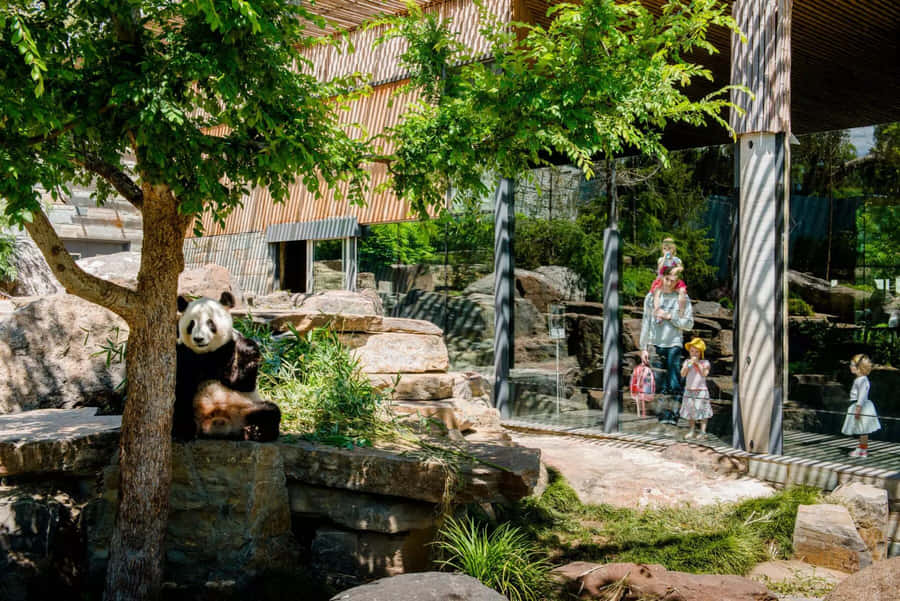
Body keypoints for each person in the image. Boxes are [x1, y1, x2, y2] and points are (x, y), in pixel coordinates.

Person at [639, 266, 694, 425]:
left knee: (674, 382)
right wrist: (643, 347)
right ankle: (664, 416)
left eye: (673, 281)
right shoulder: (651, 297)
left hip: (674, 344)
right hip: (655, 344)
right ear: (661, 277)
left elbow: (689, 324)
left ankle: (673, 416)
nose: (669, 283)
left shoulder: (682, 298)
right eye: (667, 279)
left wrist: (670, 316)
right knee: (660, 384)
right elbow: (646, 322)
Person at [841, 354, 880, 458]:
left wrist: (858, 409)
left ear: (859, 367)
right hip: (859, 405)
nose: (850, 366)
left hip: (861, 406)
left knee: (863, 430)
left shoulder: (862, 380)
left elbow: (862, 396)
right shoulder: (860, 380)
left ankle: (863, 449)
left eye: (852, 365)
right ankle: (862, 448)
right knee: (862, 430)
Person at [680, 337, 712, 439]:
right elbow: (683, 374)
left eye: (697, 352)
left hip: (701, 390)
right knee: (690, 411)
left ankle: (703, 432)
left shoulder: (705, 363)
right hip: (689, 389)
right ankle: (691, 430)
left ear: (701, 353)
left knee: (703, 411)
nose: (694, 354)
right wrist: (688, 366)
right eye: (692, 351)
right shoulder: (687, 362)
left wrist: (698, 364)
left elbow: (705, 374)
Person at [650, 238, 687, 324]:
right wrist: (664, 258)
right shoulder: (660, 259)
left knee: (682, 291)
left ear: (673, 249)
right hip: (662, 279)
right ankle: (658, 313)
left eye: (669, 249)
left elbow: (681, 268)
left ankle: (681, 313)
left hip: (673, 280)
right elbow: (659, 269)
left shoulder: (676, 259)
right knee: (657, 293)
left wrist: (677, 268)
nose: (667, 251)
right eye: (665, 249)